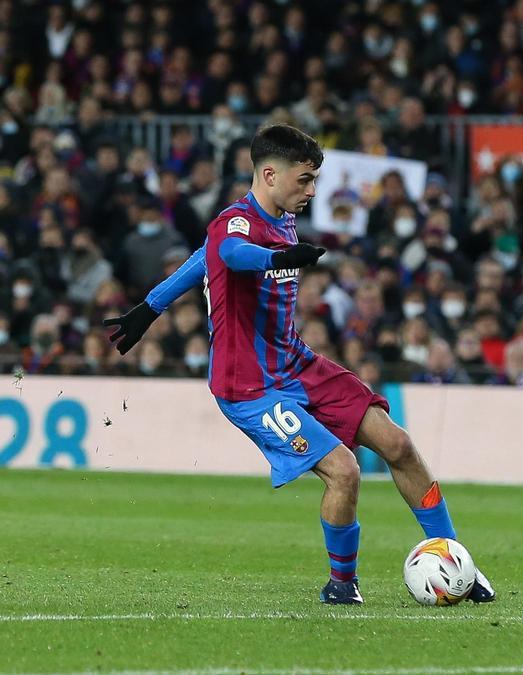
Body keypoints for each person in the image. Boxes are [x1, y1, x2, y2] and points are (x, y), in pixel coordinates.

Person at [101, 125, 494, 606]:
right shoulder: (237, 223)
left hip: (296, 363)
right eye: (305, 180)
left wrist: (150, 307)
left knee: (398, 443)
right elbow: (228, 252)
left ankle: (459, 563)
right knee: (344, 471)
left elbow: (202, 259)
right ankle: (342, 585)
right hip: (248, 386)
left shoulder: (282, 217)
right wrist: (279, 258)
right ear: (269, 174)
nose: (312, 191)